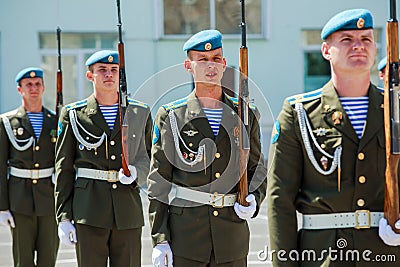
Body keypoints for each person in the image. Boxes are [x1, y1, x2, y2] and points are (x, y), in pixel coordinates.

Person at [267, 9, 400, 266]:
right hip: (323, 255)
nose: (359, 46)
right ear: (327, 51)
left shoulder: (395, 110)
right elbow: (280, 199)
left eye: (366, 39)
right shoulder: (300, 113)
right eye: (347, 40)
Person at [148, 29, 267, 267]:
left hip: (231, 238)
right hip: (186, 238)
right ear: (188, 66)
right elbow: (159, 181)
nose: (210, 66)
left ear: (224, 65)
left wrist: (254, 197)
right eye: (202, 60)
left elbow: (257, 169)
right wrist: (160, 239)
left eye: (215, 59)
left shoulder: (245, 114)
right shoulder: (171, 116)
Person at [55, 50, 152, 267]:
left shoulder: (139, 112)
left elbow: (148, 158)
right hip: (89, 210)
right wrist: (63, 216)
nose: (109, 74)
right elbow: (64, 168)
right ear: (90, 75)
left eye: (114, 70)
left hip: (127, 210)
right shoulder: (73, 115)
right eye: (102, 70)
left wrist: (138, 173)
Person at [0, 67, 59, 266]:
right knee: (23, 260)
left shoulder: (56, 121)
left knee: (48, 259)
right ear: (19, 89)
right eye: (28, 84)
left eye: (37, 84)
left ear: (43, 88)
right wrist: (2, 206)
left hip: (49, 199)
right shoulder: (7, 122)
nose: (33, 88)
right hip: (19, 199)